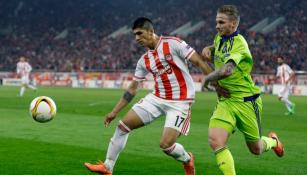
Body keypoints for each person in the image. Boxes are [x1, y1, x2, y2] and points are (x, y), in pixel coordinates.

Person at [84, 17, 223, 175]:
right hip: (157, 98)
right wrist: (114, 112)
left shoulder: (173, 43)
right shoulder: (144, 61)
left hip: (180, 101)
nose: (137, 38)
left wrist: (217, 83)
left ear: (151, 31)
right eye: (135, 35)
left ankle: (187, 160)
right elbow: (132, 89)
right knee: (123, 127)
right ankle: (108, 167)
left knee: (166, 145)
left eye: (140, 34)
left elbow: (199, 61)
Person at [201, 5, 284, 175]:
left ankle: (274, 142)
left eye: (221, 22)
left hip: (246, 101)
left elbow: (227, 70)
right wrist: (209, 48)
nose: (217, 26)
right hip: (226, 101)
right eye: (216, 22)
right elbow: (218, 47)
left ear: (233, 24)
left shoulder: (240, 44)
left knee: (256, 149)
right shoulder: (219, 38)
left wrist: (208, 79)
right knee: (215, 141)